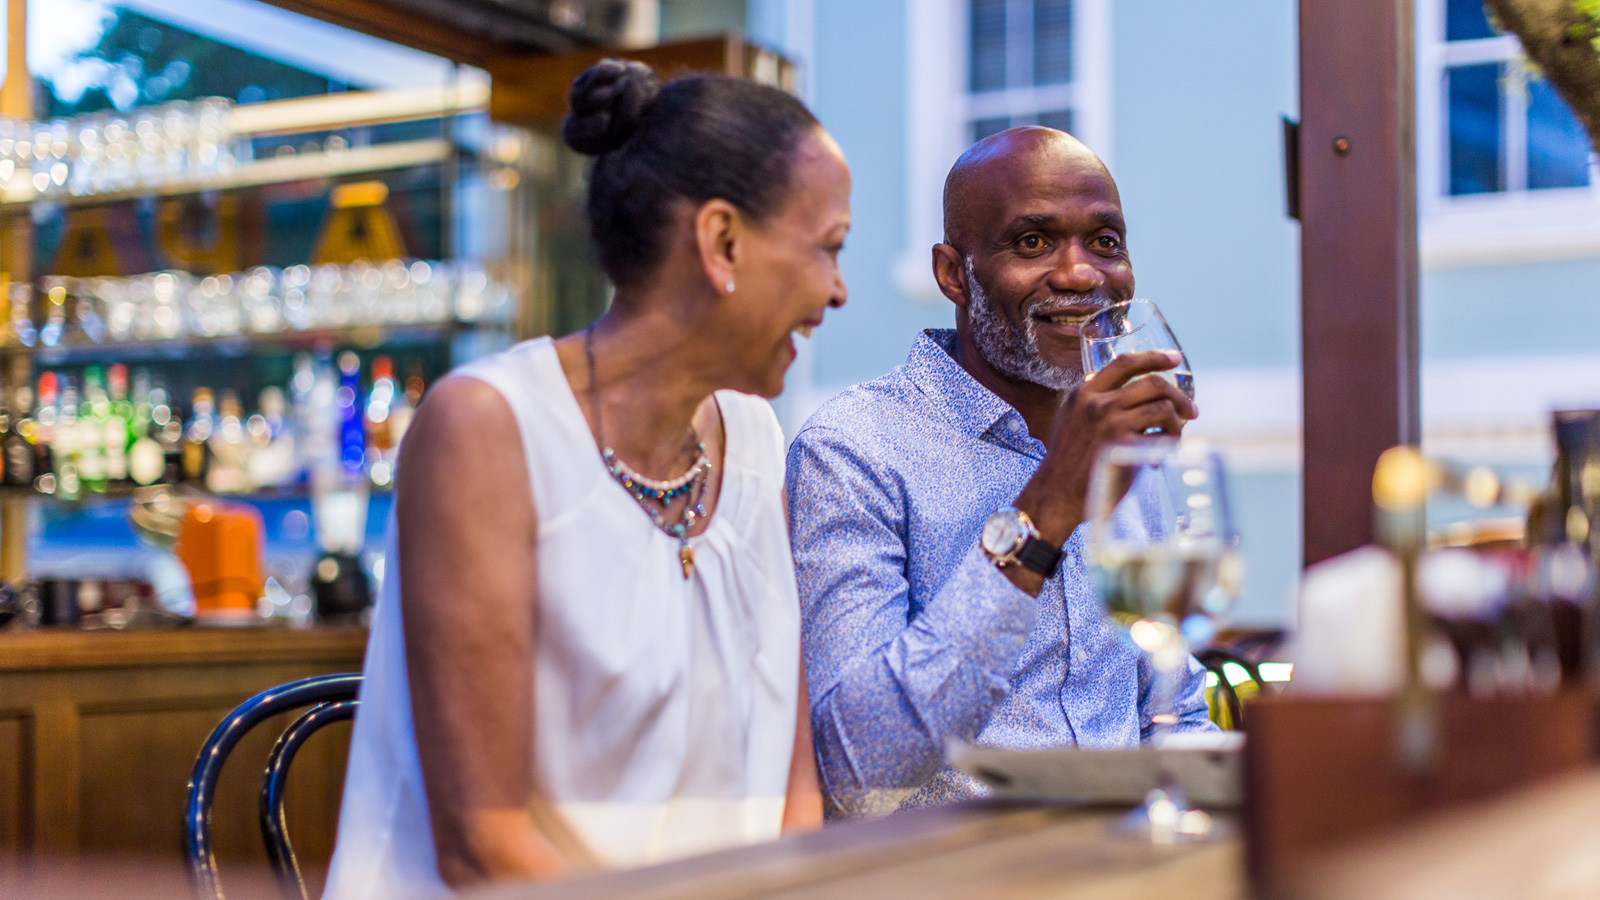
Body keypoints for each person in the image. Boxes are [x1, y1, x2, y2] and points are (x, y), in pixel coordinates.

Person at [323, 59, 851, 898]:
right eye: (827, 248)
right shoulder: (486, 428)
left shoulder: (753, 437)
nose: (839, 290)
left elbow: (791, 797)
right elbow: (484, 852)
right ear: (721, 242)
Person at [786, 126, 1213, 818]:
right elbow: (861, 773)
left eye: (1105, 242)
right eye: (1033, 242)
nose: (1082, 274)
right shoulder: (852, 450)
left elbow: (1173, 712)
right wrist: (1047, 509)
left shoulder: (1129, 447)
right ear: (954, 273)